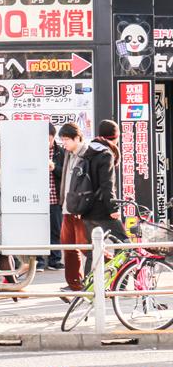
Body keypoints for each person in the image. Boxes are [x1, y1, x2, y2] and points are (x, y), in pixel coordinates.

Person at [81, 120, 127, 250]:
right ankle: (122, 271)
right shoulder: (106, 155)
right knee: (125, 245)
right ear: (115, 137)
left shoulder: (88, 152)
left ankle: (95, 271)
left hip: (87, 210)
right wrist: (113, 209)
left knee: (94, 251)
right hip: (102, 210)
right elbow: (107, 184)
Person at [56, 122, 90, 292]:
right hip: (67, 208)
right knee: (68, 247)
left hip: (80, 209)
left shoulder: (87, 154)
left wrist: (83, 206)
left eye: (67, 139)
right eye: (62, 139)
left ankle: (118, 271)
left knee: (85, 247)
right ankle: (75, 284)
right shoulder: (68, 154)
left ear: (77, 138)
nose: (64, 143)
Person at [38, 124, 65, 271]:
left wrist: (54, 168)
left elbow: (66, 174)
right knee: (39, 231)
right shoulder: (34, 151)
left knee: (56, 230)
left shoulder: (60, 152)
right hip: (37, 199)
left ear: (53, 137)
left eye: (47, 139)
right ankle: (39, 261)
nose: (45, 142)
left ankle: (55, 259)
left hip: (55, 198)